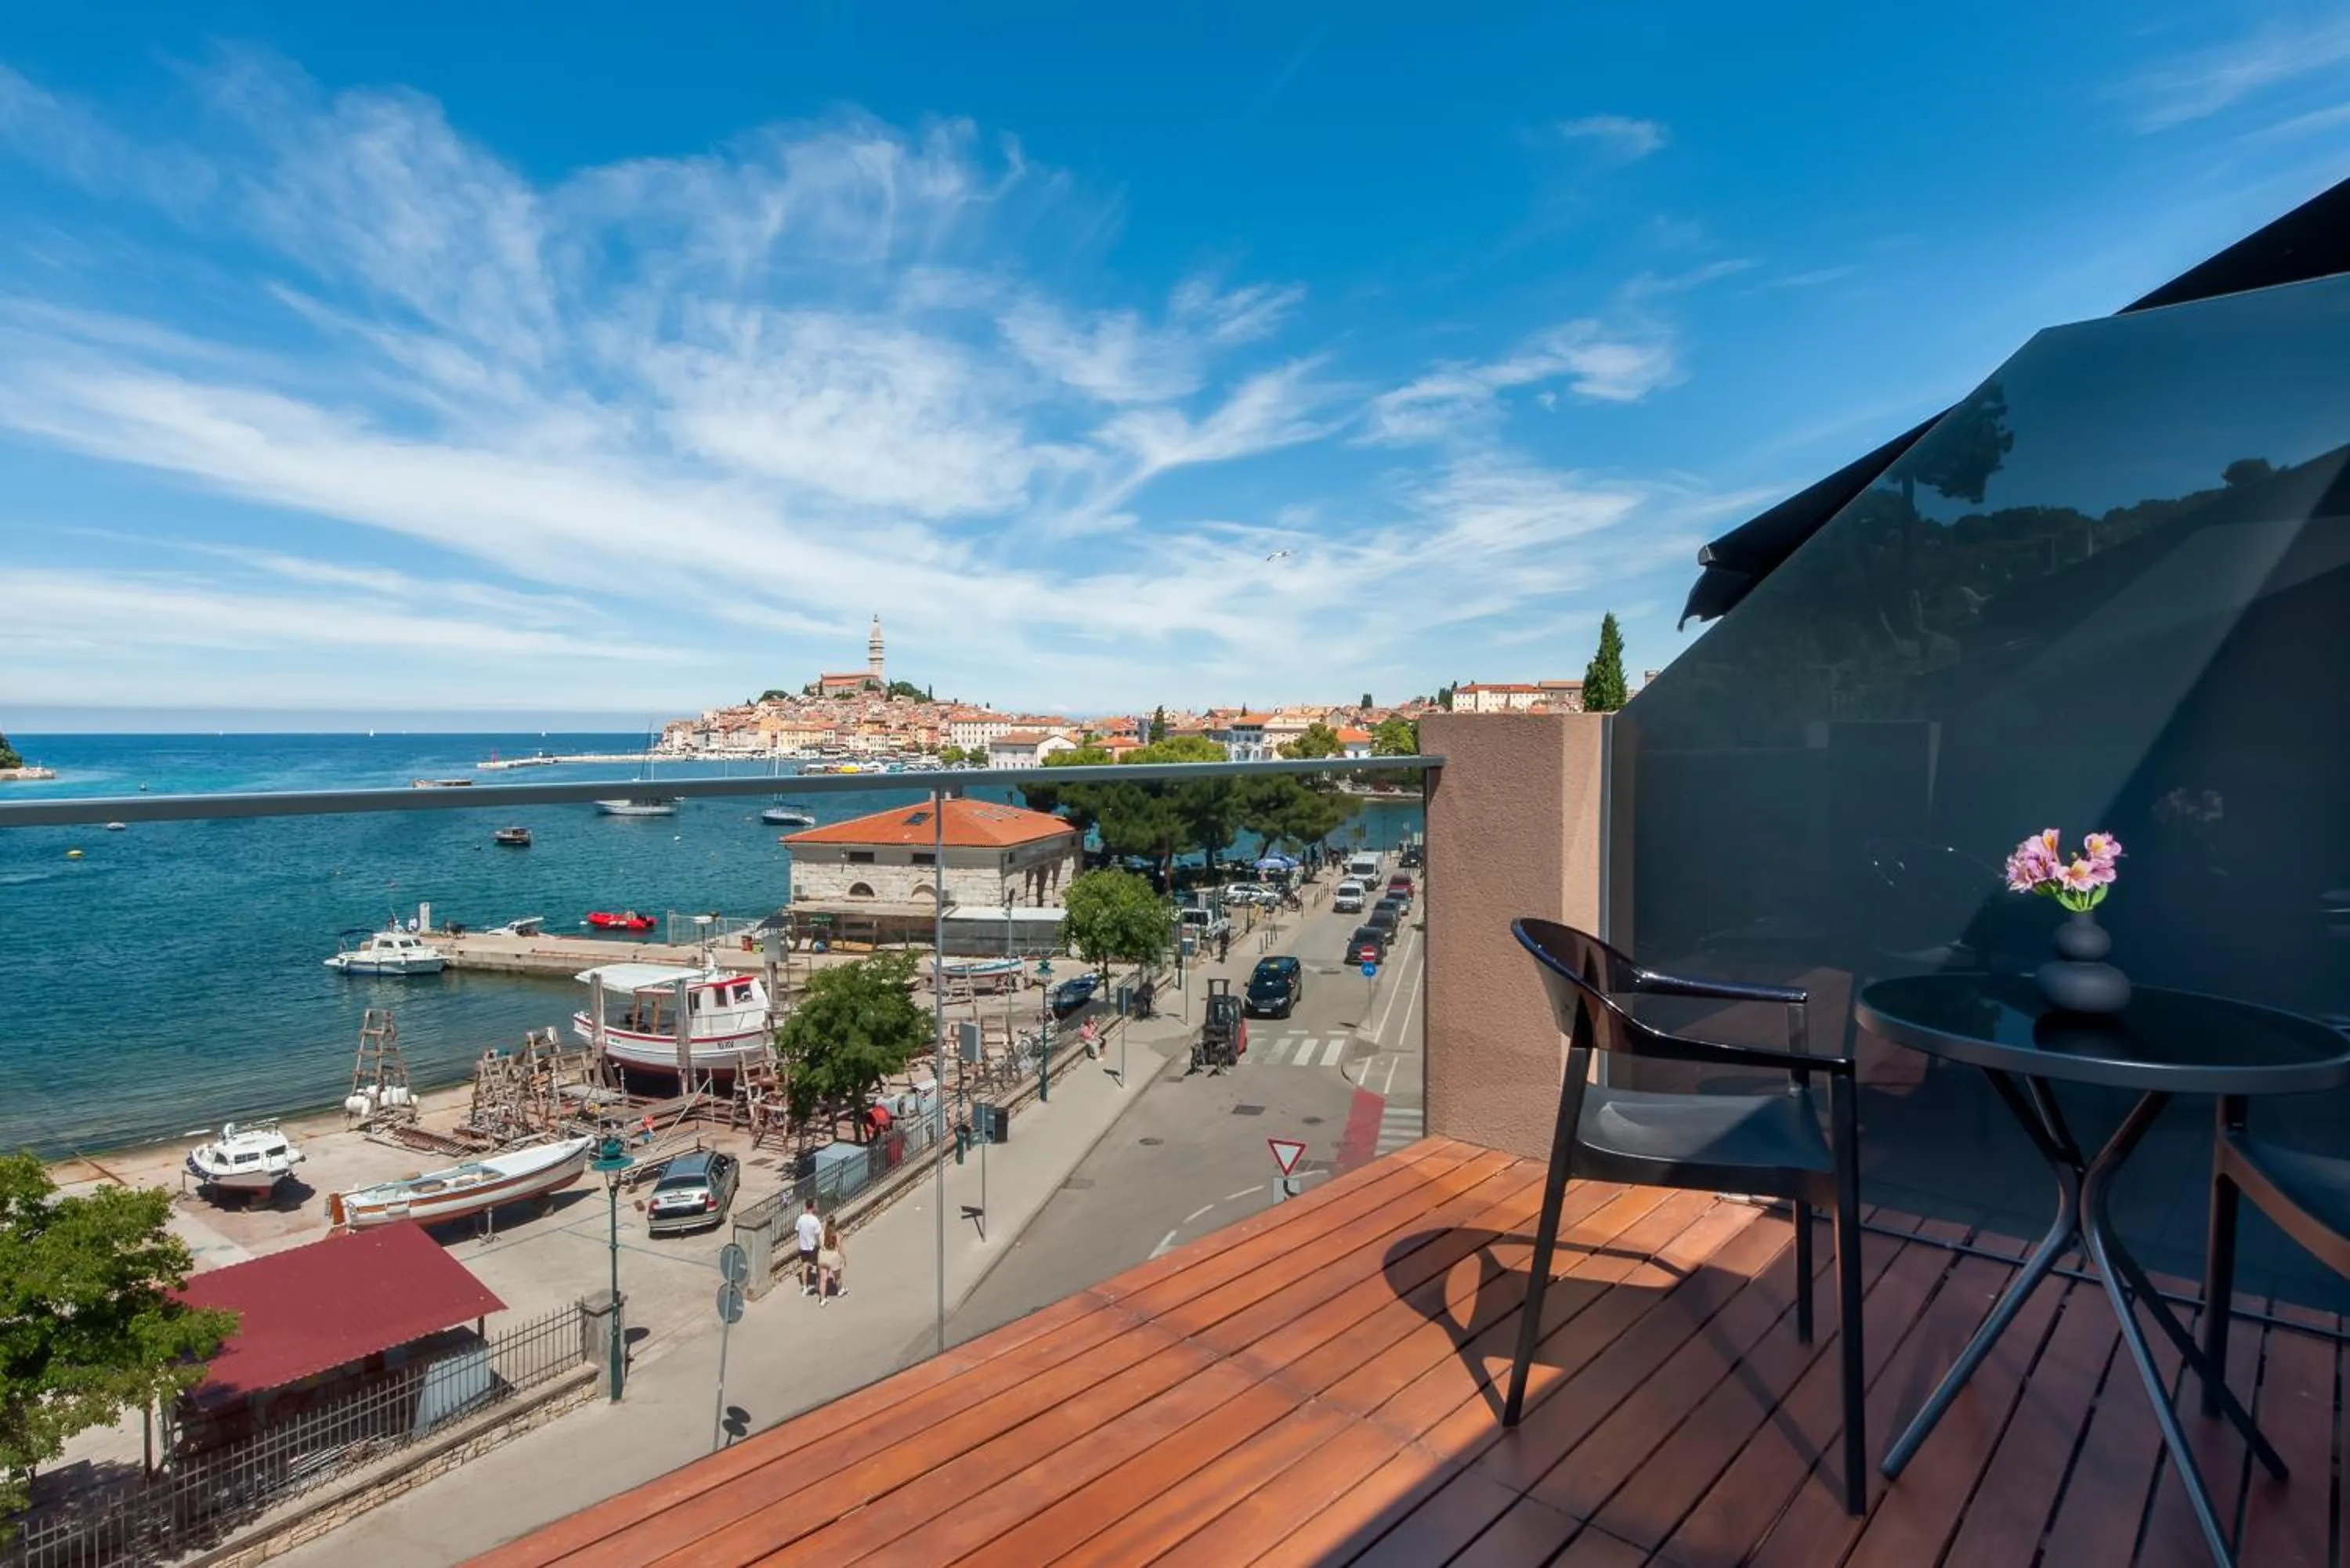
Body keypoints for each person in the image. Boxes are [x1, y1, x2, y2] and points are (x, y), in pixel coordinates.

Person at [794, 1198, 823, 1296]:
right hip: (813, 1246)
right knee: (818, 1266)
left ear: (806, 1206)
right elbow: (818, 1235)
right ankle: (817, 1285)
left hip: (803, 1246)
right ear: (813, 1207)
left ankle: (805, 1288)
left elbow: (797, 1231)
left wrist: (801, 1240)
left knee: (804, 1267)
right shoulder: (815, 1220)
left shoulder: (800, 1218)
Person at [817, 1219, 848, 1306]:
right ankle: (840, 1290)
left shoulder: (822, 1233)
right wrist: (844, 1258)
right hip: (833, 1256)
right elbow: (840, 1248)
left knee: (823, 1279)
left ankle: (822, 1299)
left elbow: (820, 1244)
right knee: (837, 1277)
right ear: (834, 1223)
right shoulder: (836, 1234)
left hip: (823, 1256)